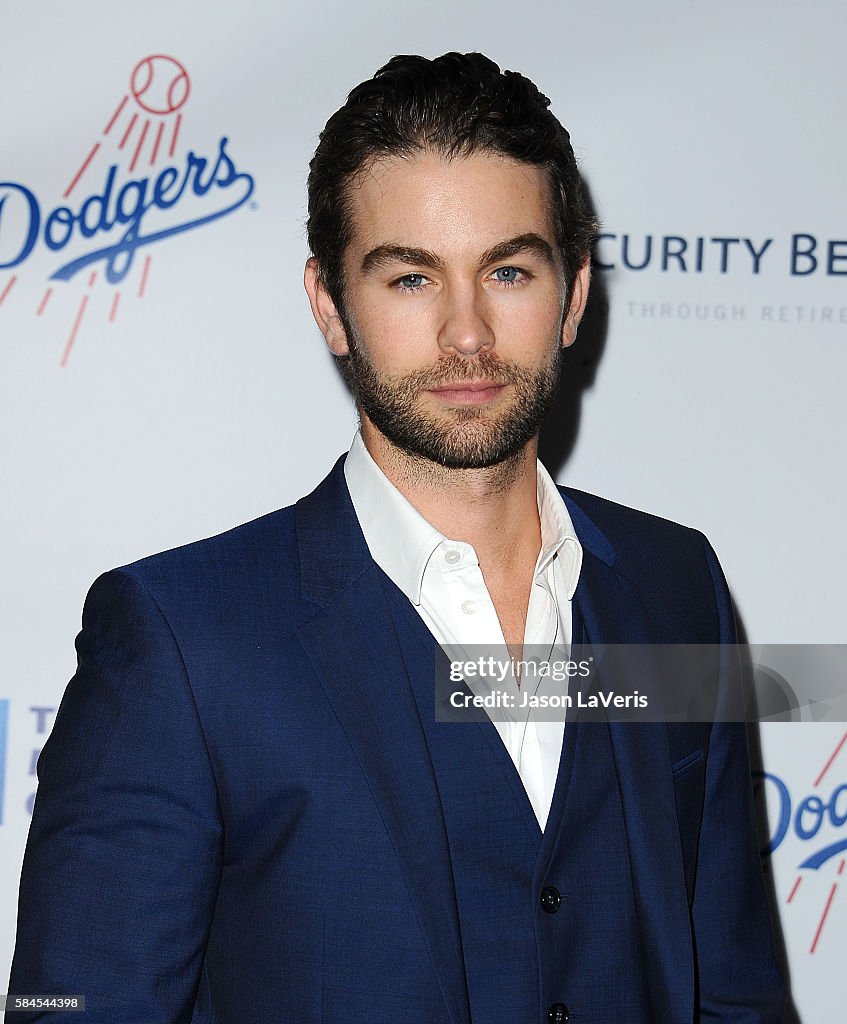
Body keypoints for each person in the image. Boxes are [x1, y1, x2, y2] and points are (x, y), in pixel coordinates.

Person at [7, 52, 784, 1023]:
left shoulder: (674, 586)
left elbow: (733, 994)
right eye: (411, 279)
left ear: (574, 294)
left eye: (507, 270)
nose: (466, 333)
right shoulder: (181, 638)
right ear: (331, 306)